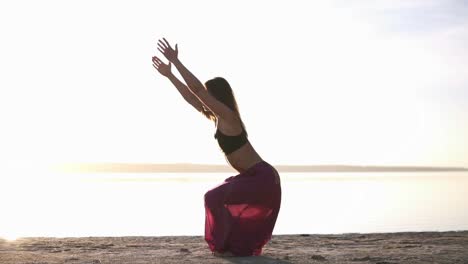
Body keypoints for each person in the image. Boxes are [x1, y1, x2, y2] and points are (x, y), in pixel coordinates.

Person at [152, 38, 281, 257]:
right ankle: (229, 245)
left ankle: (227, 246)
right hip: (252, 177)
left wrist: (177, 62)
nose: (204, 97)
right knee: (215, 198)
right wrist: (170, 75)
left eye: (208, 93)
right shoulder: (217, 118)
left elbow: (196, 91)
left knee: (213, 198)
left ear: (217, 96)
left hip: (262, 178)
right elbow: (191, 98)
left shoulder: (230, 118)